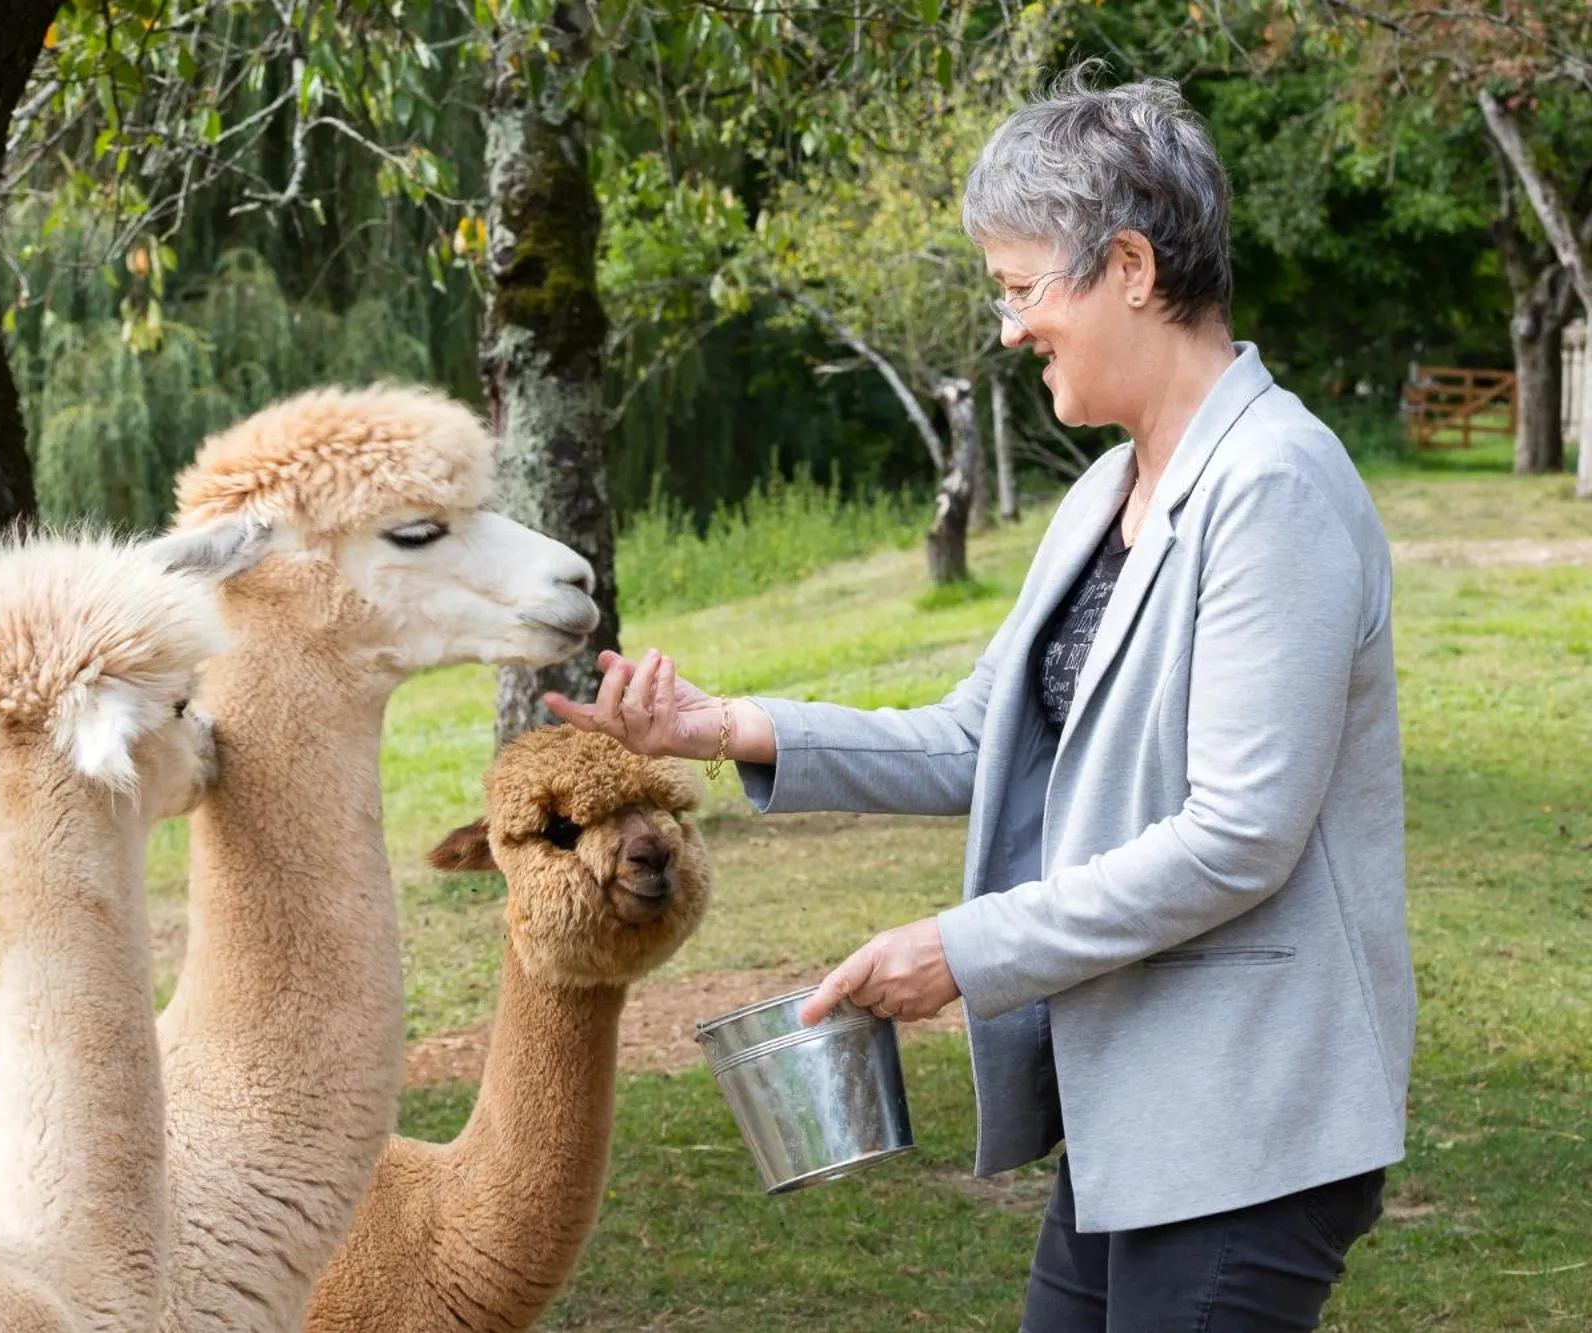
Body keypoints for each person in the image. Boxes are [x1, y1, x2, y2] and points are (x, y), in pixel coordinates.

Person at [546, 71, 1413, 1332]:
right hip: (1134, 1105)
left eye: (1018, 289)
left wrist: (961, 951)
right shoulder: (1102, 491)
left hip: (1247, 1112)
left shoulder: (1272, 485)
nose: (1006, 329)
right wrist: (722, 727)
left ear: (1126, 264)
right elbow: (979, 737)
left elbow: (1239, 833)